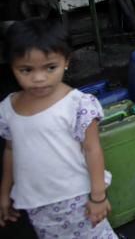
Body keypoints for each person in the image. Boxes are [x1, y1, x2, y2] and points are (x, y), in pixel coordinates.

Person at [0, 18, 116, 237]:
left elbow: (92, 149)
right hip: (37, 204)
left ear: (66, 60)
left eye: (50, 67)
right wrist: (5, 193)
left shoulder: (78, 105)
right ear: (11, 65)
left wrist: (98, 195)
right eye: (26, 70)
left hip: (78, 199)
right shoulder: (8, 109)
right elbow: (10, 150)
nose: (38, 78)